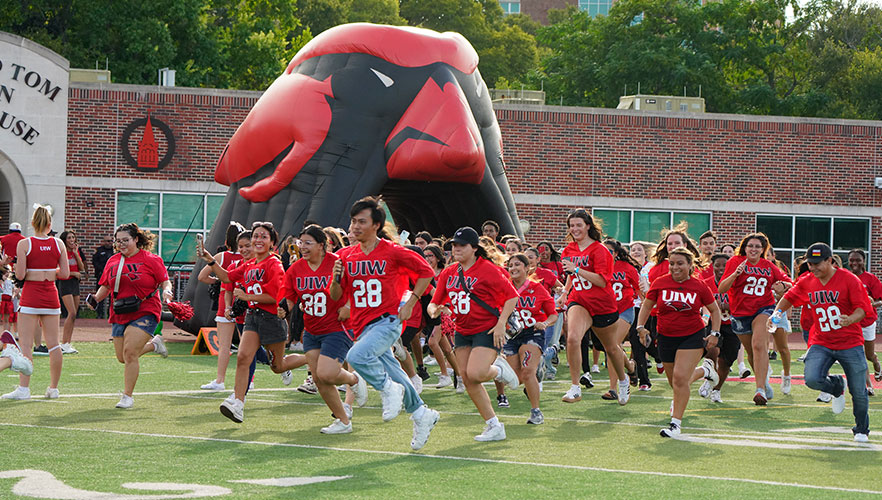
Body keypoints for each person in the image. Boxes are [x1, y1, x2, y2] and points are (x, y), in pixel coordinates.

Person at [328, 197, 440, 450]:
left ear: (376, 225)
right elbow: (336, 297)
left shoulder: (393, 250)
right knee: (395, 372)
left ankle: (387, 390)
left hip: (388, 320)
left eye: (361, 222)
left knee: (356, 356)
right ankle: (422, 414)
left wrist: (411, 302)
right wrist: (336, 279)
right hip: (362, 325)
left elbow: (426, 273)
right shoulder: (344, 255)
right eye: (353, 221)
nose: (355, 226)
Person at [198, 221, 307, 422]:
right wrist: (211, 261)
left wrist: (247, 297)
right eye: (256, 235)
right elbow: (227, 277)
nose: (258, 240)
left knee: (278, 366)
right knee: (243, 357)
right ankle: (238, 403)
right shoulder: (249, 264)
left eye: (263, 236)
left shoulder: (273, 264)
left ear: (272, 242)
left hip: (272, 319)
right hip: (253, 317)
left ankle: (311, 358)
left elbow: (276, 296)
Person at [772, 243, 872, 443]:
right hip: (821, 340)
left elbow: (863, 308)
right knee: (811, 379)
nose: (813, 268)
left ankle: (861, 429)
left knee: (859, 391)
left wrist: (851, 319)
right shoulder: (807, 281)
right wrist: (776, 314)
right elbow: (789, 297)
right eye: (810, 264)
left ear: (830, 261)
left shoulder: (849, 280)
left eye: (817, 263)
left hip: (850, 342)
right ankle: (835, 386)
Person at [428, 226, 519, 441]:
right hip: (463, 330)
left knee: (477, 373)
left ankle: (498, 370)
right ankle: (493, 425)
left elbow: (511, 296)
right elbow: (434, 303)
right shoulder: (450, 272)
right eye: (454, 245)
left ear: (474, 248)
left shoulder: (488, 269)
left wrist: (501, 323)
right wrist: (435, 310)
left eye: (462, 245)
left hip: (486, 328)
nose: (456, 249)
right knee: (468, 379)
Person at [279, 224, 367, 434]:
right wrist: (282, 309)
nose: (303, 247)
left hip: (337, 327)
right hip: (312, 329)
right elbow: (289, 297)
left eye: (308, 243)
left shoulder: (337, 263)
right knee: (318, 379)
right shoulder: (296, 268)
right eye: (301, 243)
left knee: (326, 373)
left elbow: (357, 287)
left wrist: (347, 307)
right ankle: (344, 422)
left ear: (322, 245)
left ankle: (354, 380)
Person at [636, 247, 721, 438]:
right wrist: (640, 327)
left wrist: (715, 333)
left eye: (680, 263)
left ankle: (675, 425)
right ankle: (705, 371)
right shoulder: (660, 282)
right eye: (672, 263)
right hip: (666, 336)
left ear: (690, 265)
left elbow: (714, 310)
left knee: (681, 378)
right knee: (675, 382)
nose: (675, 267)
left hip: (692, 335)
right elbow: (647, 305)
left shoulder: (698, 285)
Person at [88, 223, 170, 408]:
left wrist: (167, 292)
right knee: (122, 357)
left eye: (126, 240)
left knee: (130, 352)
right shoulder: (113, 260)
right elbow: (106, 285)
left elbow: (165, 281)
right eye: (118, 241)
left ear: (136, 240)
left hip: (145, 310)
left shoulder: (151, 259)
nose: (121, 244)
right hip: (119, 311)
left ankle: (127, 396)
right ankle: (154, 345)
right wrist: (95, 299)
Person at [558, 209, 631, 405]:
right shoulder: (568, 250)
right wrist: (565, 292)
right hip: (579, 300)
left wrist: (578, 269)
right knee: (572, 337)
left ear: (588, 226)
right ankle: (575, 387)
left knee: (612, 348)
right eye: (572, 225)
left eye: (578, 225)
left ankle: (623, 381)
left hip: (602, 304)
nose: (575, 229)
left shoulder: (600, 250)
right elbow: (571, 276)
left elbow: (601, 281)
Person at [2, 206, 69, 400]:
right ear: (50, 224)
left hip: (31, 297)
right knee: (54, 344)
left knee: (25, 345)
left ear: (32, 223)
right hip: (51, 297)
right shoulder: (59, 244)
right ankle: (53, 388)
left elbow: (20, 274)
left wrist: (34, 272)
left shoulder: (25, 244)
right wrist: (48, 272)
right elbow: (64, 274)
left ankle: (24, 389)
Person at [717, 233, 792, 405]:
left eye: (758, 246)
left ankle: (760, 390)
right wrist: (735, 274)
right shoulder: (735, 262)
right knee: (751, 352)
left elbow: (789, 283)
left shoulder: (768, 265)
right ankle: (763, 380)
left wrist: (783, 286)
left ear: (763, 250)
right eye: (751, 245)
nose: (754, 249)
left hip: (764, 308)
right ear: (745, 247)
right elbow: (721, 289)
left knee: (759, 345)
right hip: (740, 313)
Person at [503, 253, 557, 424]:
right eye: (510, 265)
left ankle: (536, 412)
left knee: (527, 372)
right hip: (511, 335)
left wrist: (545, 323)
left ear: (527, 268)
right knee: (514, 379)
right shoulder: (504, 287)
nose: (513, 268)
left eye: (517, 264)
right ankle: (538, 369)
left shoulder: (537, 288)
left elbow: (553, 314)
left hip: (532, 332)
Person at [197, 223, 247, 391]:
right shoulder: (249, 257)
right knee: (247, 344)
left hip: (226, 301)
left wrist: (218, 281)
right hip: (245, 300)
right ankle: (250, 379)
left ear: (227, 240)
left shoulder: (220, 257)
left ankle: (220, 380)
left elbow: (202, 276)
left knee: (224, 345)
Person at [600, 239, 641, 400]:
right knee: (612, 348)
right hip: (606, 312)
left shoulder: (628, 268)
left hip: (625, 309)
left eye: (610, 251)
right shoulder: (598, 268)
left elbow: (639, 290)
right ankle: (630, 367)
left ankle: (613, 388)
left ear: (616, 253)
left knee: (613, 346)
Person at [702, 253, 740, 402]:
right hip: (713, 323)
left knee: (726, 361)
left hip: (732, 324)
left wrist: (728, 306)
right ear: (712, 266)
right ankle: (708, 376)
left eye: (725, 265)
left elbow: (745, 303)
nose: (721, 268)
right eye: (717, 265)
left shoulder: (737, 283)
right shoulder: (706, 283)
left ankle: (717, 389)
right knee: (712, 349)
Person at [846, 249, 882, 394]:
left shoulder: (871, 279)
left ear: (863, 261)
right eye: (852, 260)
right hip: (852, 322)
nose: (854, 263)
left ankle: (877, 363)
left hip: (867, 322)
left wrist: (871, 304)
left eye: (857, 260)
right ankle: (868, 386)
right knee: (858, 354)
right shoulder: (845, 277)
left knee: (868, 355)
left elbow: (880, 300)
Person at [57, 230, 86, 354]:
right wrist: (73, 273)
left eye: (73, 237)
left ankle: (68, 343)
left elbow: (82, 268)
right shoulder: (61, 252)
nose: (72, 240)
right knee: (71, 312)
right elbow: (59, 271)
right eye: (69, 238)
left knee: (74, 315)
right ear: (64, 240)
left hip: (75, 283)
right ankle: (63, 343)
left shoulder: (75, 251)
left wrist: (76, 253)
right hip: (65, 283)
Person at [92, 234, 115, 319]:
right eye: (107, 241)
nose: (109, 243)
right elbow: (95, 262)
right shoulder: (99, 250)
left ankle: (110, 314)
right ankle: (99, 314)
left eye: (111, 241)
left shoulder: (115, 251)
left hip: (113, 276)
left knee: (112, 297)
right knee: (99, 296)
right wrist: (103, 270)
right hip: (101, 275)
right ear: (103, 242)